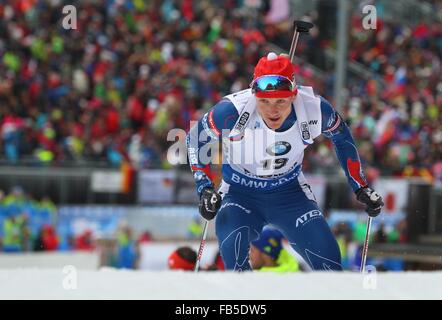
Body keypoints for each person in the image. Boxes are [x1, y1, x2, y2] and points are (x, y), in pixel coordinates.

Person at [186, 52, 384, 271]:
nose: (273, 109)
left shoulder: (315, 109)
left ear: (293, 95)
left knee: (330, 263)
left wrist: (360, 186)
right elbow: (196, 138)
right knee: (234, 257)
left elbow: (343, 138)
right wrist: (204, 188)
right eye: (264, 101)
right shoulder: (232, 111)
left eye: (281, 100)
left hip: (290, 193)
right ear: (254, 95)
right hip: (240, 193)